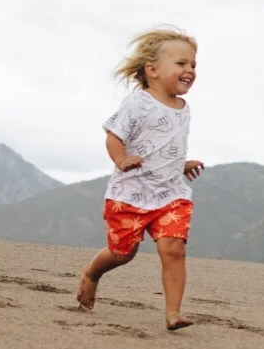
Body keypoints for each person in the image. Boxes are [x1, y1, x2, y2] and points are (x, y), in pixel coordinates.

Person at [77, 29, 205, 330]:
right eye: (181, 63)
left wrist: (181, 165)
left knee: (173, 248)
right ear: (152, 70)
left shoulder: (184, 109)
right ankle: (92, 274)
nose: (189, 70)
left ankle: (173, 313)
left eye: (193, 65)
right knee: (122, 253)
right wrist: (121, 159)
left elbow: (164, 147)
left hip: (171, 194)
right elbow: (114, 136)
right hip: (130, 193)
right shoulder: (138, 103)